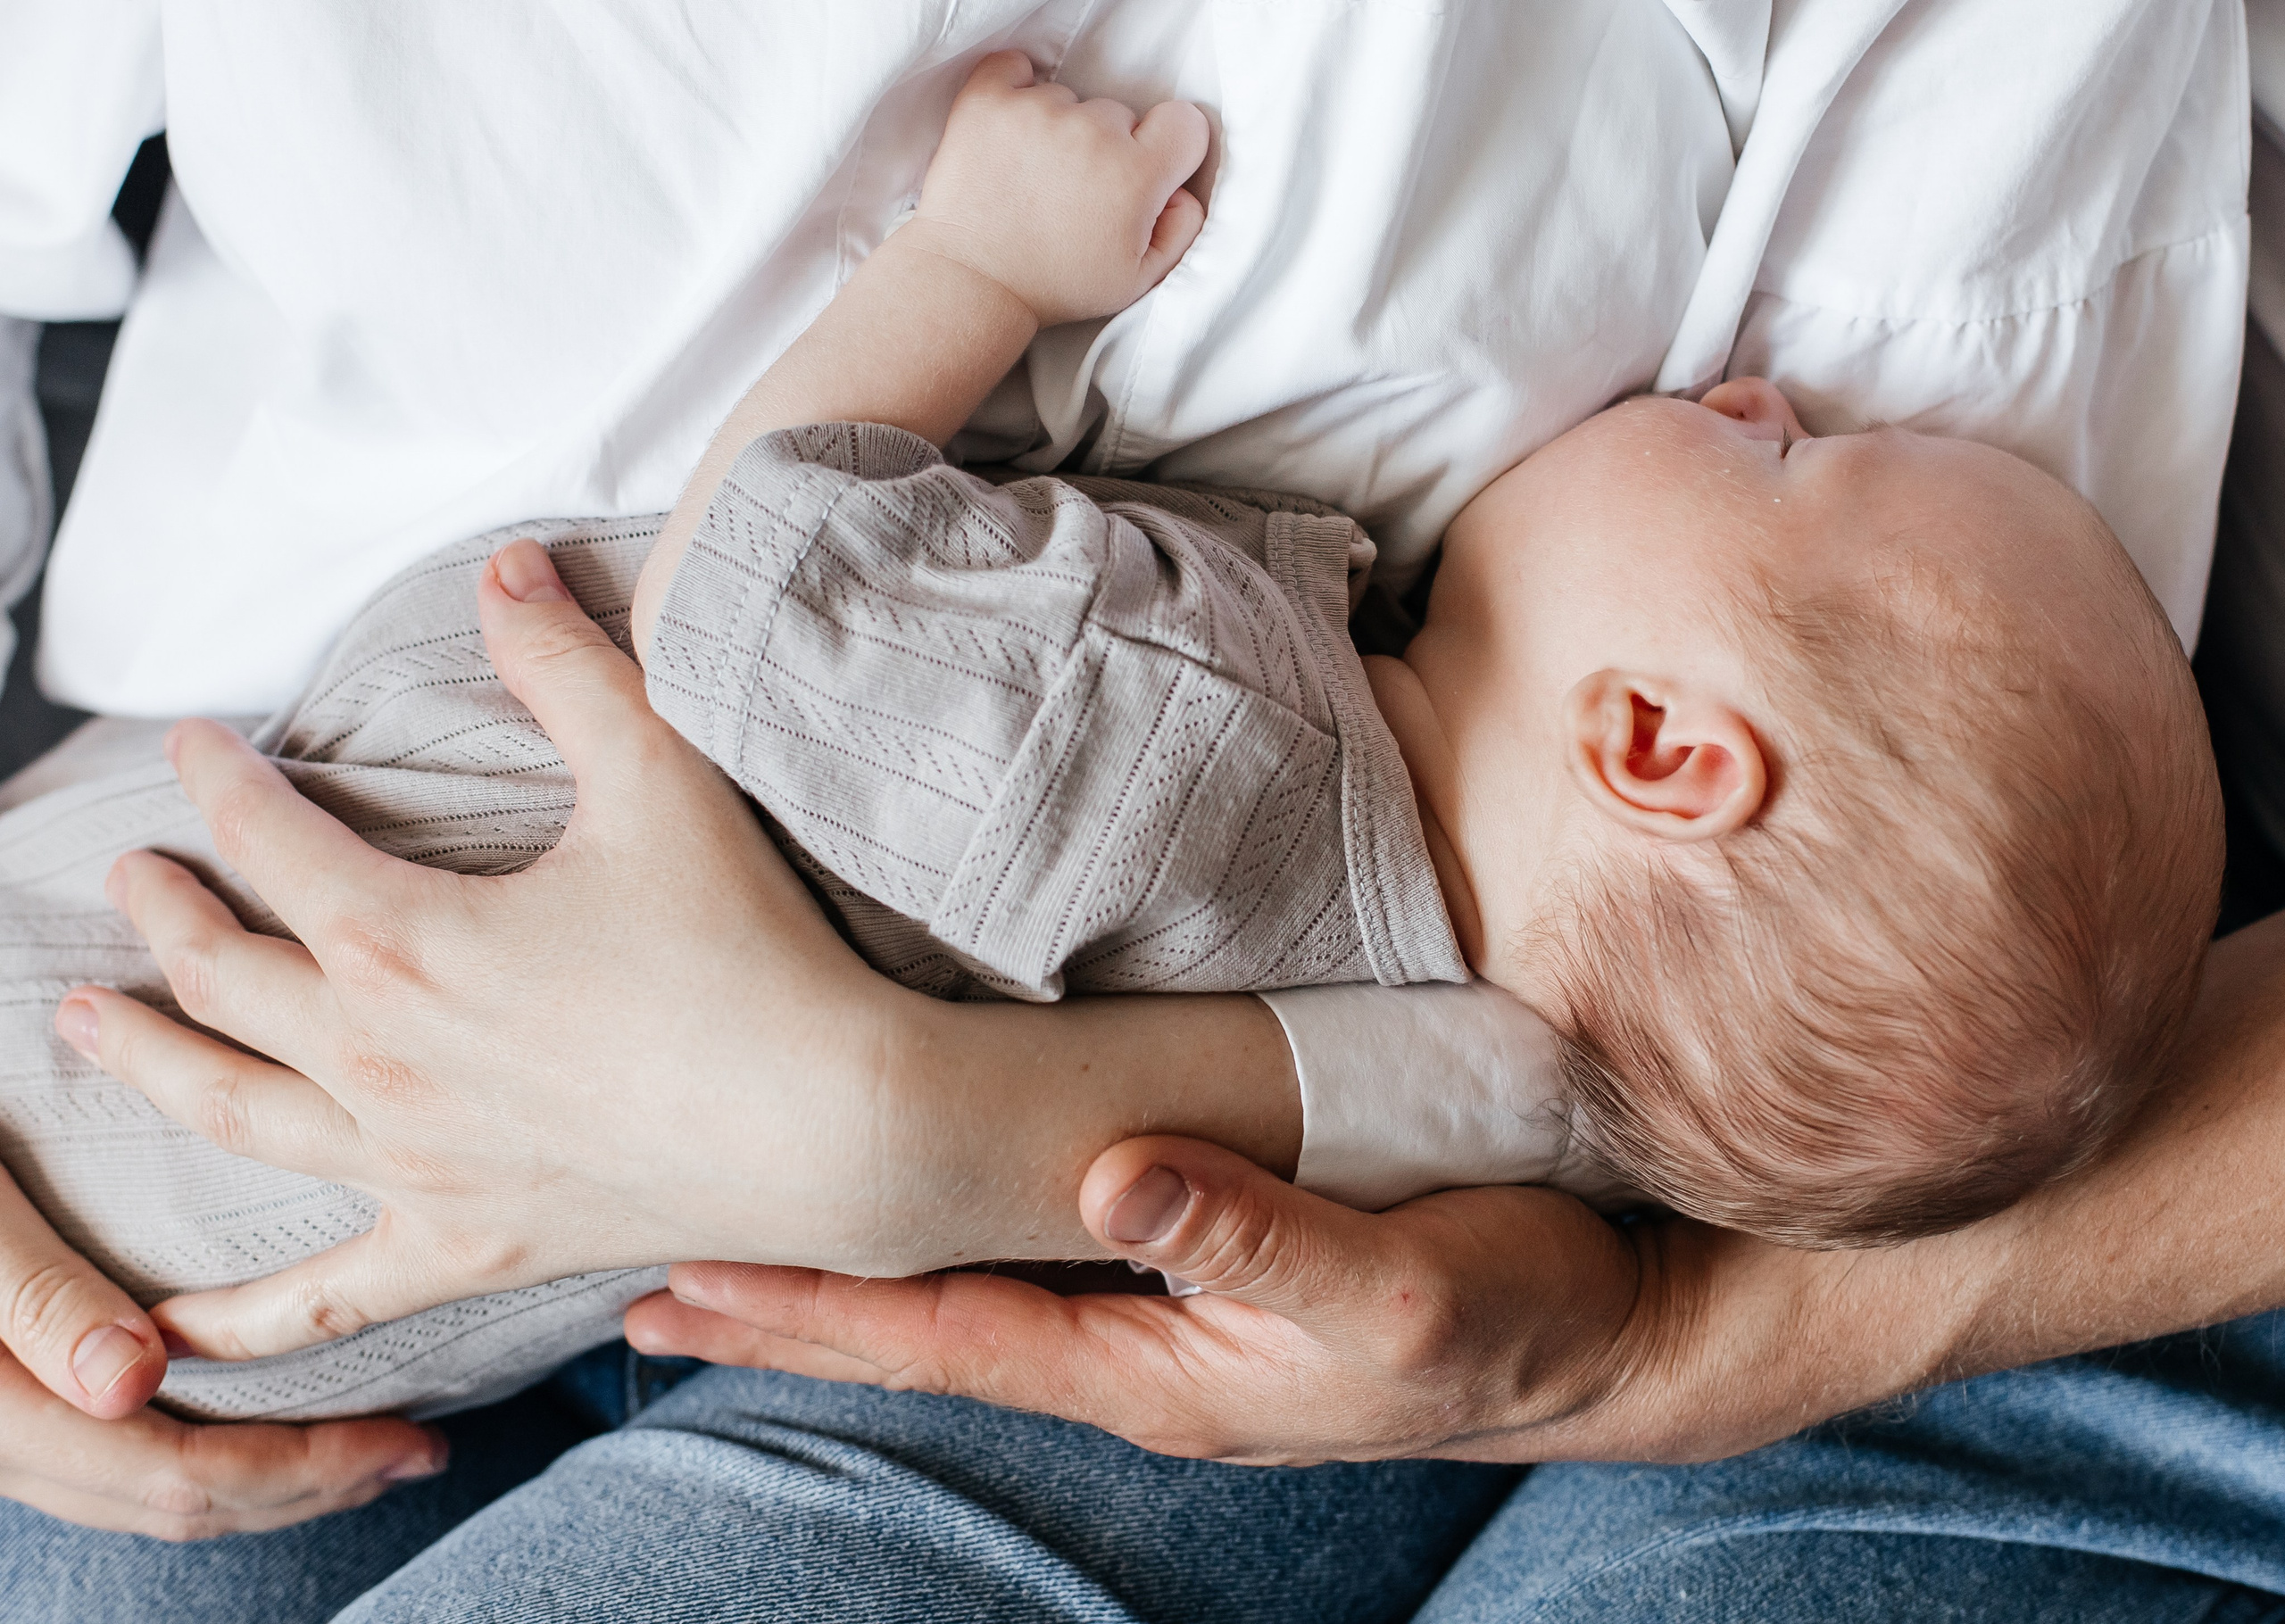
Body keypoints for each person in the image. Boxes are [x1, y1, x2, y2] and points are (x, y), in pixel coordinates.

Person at [0, 1, 2262, 1620]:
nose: (1760, 403)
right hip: (268, 1045)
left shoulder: (1198, 721)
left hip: (203, 994)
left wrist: (968, 274)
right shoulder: (1423, 919)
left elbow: (744, 588)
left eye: (1783, 454)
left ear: (1659, 747)